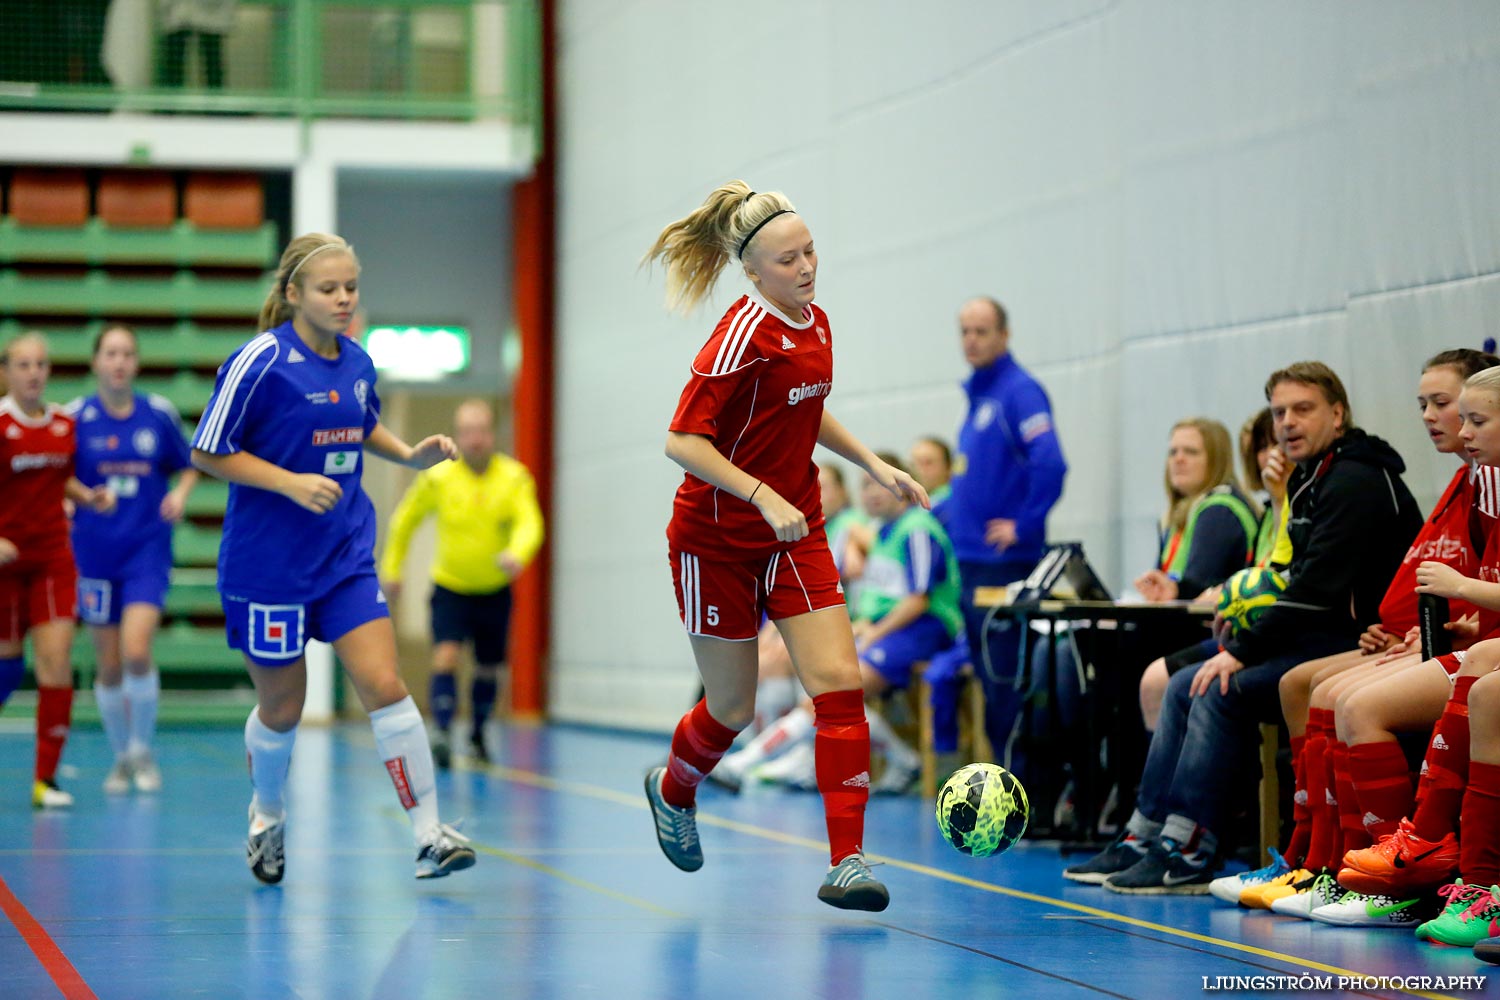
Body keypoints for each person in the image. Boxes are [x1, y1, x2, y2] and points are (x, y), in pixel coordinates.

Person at [640, 180, 926, 911]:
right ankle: (674, 789)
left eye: (811, 252)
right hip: (716, 541)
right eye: (788, 259)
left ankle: (849, 861)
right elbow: (682, 441)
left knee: (839, 683)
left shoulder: (816, 322)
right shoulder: (737, 337)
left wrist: (872, 463)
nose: (807, 268)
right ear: (754, 271)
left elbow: (808, 406)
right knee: (730, 708)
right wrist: (760, 493)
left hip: (794, 533)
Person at [1066, 361, 1423, 893]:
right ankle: (1149, 834)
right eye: (1279, 412)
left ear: (1338, 413)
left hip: (1355, 641)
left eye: (1303, 409)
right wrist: (1241, 631)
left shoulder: (1355, 481)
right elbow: (1287, 576)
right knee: (1183, 682)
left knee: (1215, 685)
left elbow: (1314, 592)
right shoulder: (1312, 477)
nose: (1288, 423)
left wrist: (1243, 647)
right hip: (1318, 634)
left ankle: (1190, 849)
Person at [190, 233, 476, 884]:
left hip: (343, 556)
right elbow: (207, 451)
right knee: (285, 709)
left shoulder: (357, 361)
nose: (344, 298)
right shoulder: (258, 362)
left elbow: (358, 421)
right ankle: (267, 814)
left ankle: (429, 836)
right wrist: (288, 482)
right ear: (294, 294)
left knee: (385, 685)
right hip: (268, 567)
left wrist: (407, 453)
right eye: (329, 288)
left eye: (351, 287)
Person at [714, 455, 962, 796]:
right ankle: (904, 760)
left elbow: (918, 600)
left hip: (923, 628)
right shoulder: (880, 533)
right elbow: (881, 594)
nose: (872, 493)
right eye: (866, 486)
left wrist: (875, 630)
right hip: (884, 628)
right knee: (828, 694)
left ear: (900, 486)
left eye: (878, 483)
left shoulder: (918, 529)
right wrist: (865, 624)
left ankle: (745, 763)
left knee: (834, 692)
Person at [68, 323, 200, 794]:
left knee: (137, 650)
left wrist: (180, 495)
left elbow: (189, 464)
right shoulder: (76, 417)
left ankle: (143, 752)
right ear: (96, 362)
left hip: (146, 551)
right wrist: (77, 498)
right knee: (107, 666)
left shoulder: (157, 415)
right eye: (111, 353)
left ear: (136, 363)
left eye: (127, 353)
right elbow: (55, 477)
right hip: (94, 555)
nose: (119, 362)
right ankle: (120, 757)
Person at [379, 398, 543, 768]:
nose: (475, 440)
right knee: (446, 656)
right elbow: (405, 521)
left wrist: (518, 552)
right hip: (450, 587)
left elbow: (530, 522)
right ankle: (441, 731)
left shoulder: (514, 477)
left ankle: (479, 734)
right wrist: (393, 568)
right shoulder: (438, 477)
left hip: (494, 590)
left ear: (493, 434)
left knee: (488, 667)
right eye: (467, 432)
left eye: (482, 431)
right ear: (457, 435)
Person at [944, 297, 1067, 766]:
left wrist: (1025, 524)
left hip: (1004, 567)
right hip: (973, 562)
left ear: (1004, 335)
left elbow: (1051, 464)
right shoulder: (982, 397)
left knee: (1004, 683)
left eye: (981, 330)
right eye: (964, 331)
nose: (971, 340)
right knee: (988, 679)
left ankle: (1021, 788)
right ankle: (1005, 783)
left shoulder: (1019, 393)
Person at [0, 332, 115, 808]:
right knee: (7, 664)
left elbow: (57, 477)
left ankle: (45, 780)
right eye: (23, 364)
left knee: (57, 662)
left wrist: (87, 496)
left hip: (52, 559)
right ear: (7, 371)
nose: (33, 373)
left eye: (41, 364)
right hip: (5, 564)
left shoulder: (64, 425)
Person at [156, 0, 237, 89]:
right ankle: (172, 95)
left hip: (211, 14)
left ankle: (215, 98)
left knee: (212, 61)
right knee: (175, 63)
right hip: (179, 13)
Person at [910, 436, 953, 508]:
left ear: (948, 467)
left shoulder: (951, 502)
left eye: (928, 463)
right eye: (914, 464)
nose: (919, 470)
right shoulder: (915, 505)